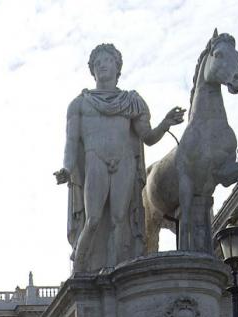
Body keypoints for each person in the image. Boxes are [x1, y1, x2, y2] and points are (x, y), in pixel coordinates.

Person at [56, 42, 185, 272]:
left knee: (120, 219)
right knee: (93, 218)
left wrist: (165, 124)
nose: (102, 65)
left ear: (118, 67)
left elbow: (147, 136)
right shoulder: (79, 104)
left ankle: (118, 273)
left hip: (124, 161)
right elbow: (71, 143)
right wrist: (66, 169)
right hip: (95, 160)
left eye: (107, 61)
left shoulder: (131, 101)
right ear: (92, 70)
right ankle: (80, 268)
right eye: (97, 63)